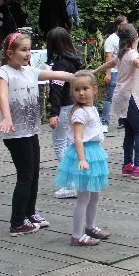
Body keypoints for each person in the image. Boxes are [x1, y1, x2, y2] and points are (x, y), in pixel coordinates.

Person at [0, 32, 77, 236]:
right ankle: (17, 223)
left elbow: (58, 75)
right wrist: (6, 118)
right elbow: (2, 96)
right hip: (15, 133)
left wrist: (79, 76)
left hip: (31, 131)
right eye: (23, 50)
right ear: (10, 53)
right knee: (25, 175)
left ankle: (30, 213)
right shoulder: (4, 73)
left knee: (34, 173)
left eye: (29, 50)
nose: (28, 54)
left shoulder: (30, 71)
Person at [54, 70, 111, 246]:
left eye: (85, 88)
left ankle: (90, 227)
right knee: (84, 198)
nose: (81, 93)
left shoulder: (91, 108)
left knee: (94, 196)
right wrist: (82, 159)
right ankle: (77, 235)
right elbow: (78, 138)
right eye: (77, 89)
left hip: (94, 153)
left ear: (94, 89)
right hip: (84, 154)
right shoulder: (79, 113)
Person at [110, 24, 139, 179]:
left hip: (119, 96)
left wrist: (96, 70)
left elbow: (110, 64)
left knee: (130, 131)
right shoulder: (132, 53)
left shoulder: (122, 53)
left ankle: (127, 165)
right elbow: (137, 62)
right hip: (129, 97)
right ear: (136, 37)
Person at [47, 27, 84, 199]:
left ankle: (70, 184)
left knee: (60, 146)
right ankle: (76, 181)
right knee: (72, 145)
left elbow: (56, 90)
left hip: (63, 109)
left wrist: (53, 113)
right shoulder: (75, 60)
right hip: (74, 107)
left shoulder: (60, 65)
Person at [102, 15, 127, 131]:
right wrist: (108, 74)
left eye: (126, 24)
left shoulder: (126, 38)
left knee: (124, 96)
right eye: (122, 25)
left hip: (124, 72)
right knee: (110, 97)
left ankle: (122, 121)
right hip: (114, 71)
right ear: (117, 26)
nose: (124, 27)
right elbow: (108, 57)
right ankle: (104, 123)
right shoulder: (111, 39)